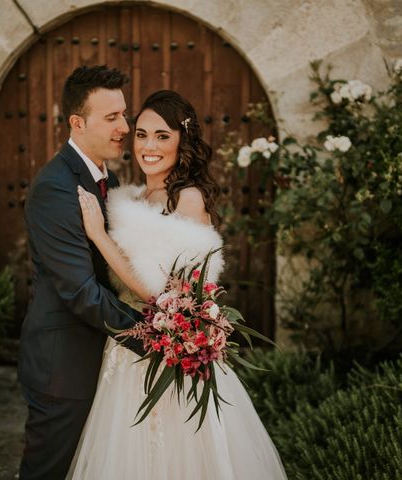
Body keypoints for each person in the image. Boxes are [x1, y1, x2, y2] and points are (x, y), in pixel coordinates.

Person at [70, 90, 287, 479]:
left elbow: (157, 292)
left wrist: (99, 235)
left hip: (168, 359)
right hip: (127, 351)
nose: (148, 146)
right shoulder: (136, 195)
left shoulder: (187, 199)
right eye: (141, 134)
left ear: (182, 141)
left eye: (162, 136)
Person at [18, 65, 145, 480]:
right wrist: (154, 335)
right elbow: (80, 291)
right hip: (64, 365)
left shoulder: (110, 179)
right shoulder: (55, 187)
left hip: (103, 360)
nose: (124, 127)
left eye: (124, 114)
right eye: (111, 118)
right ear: (78, 122)